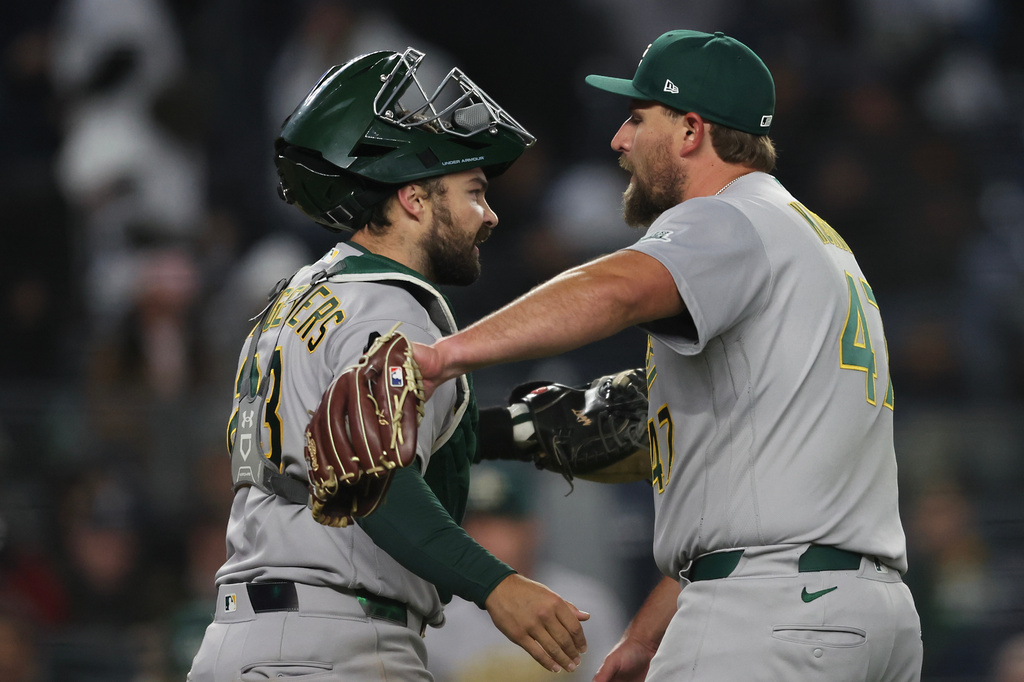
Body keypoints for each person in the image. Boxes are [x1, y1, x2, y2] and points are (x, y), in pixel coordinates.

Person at [413, 30, 924, 681]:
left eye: (636, 118)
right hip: (866, 616)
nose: (618, 142)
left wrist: (444, 354)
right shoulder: (818, 245)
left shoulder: (728, 217)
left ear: (690, 130)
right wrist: (652, 633)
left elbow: (618, 289)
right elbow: (740, 487)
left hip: (775, 617)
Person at [187, 48, 589, 681]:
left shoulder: (299, 294)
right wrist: (500, 587)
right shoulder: (387, 307)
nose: (490, 216)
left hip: (245, 636)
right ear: (412, 200)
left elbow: (333, 443)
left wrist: (511, 431)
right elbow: (372, 479)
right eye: (474, 192)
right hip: (335, 641)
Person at [427, 462, 627, 681]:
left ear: (532, 529)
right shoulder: (438, 618)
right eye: (473, 523)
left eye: (499, 523)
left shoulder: (586, 603)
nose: (482, 536)